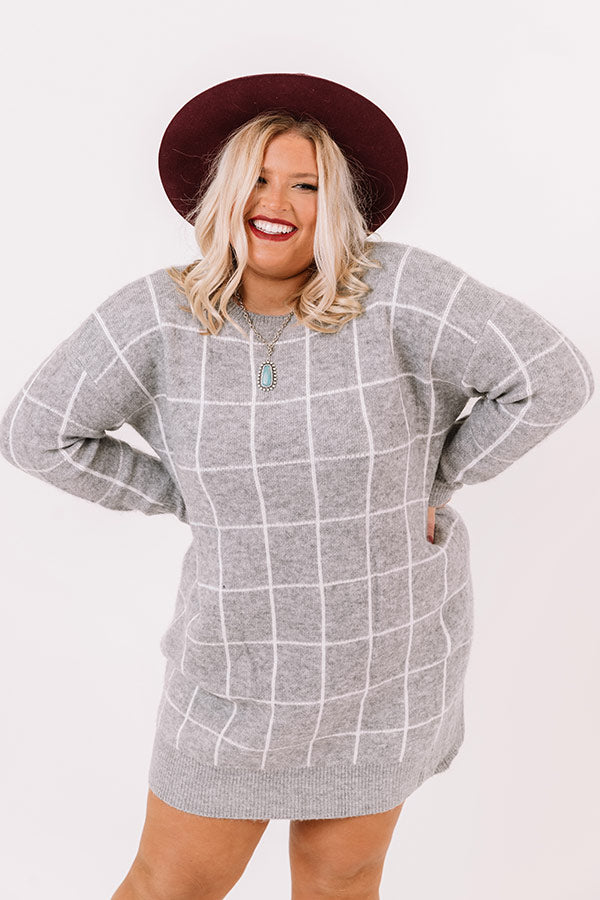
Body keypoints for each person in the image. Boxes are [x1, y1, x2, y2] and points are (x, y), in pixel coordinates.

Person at [0, 73, 594, 899]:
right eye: (258, 177)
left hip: (384, 664)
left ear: (337, 204)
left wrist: (438, 478)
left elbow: (551, 375)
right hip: (234, 671)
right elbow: (36, 432)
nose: (276, 202)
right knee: (168, 885)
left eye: (306, 185)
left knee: (341, 882)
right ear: (223, 193)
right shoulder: (157, 316)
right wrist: (179, 495)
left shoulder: (399, 290)